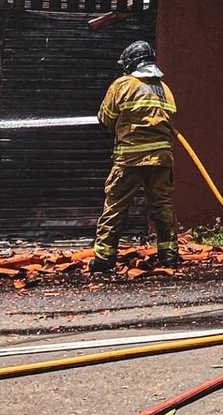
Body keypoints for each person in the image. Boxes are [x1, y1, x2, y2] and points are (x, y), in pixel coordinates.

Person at [89, 40, 180, 274]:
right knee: (162, 206)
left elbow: (106, 118)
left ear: (131, 63)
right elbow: (171, 119)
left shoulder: (122, 85)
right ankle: (169, 254)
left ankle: (104, 257)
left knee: (116, 205)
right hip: (161, 159)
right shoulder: (165, 89)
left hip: (129, 159)